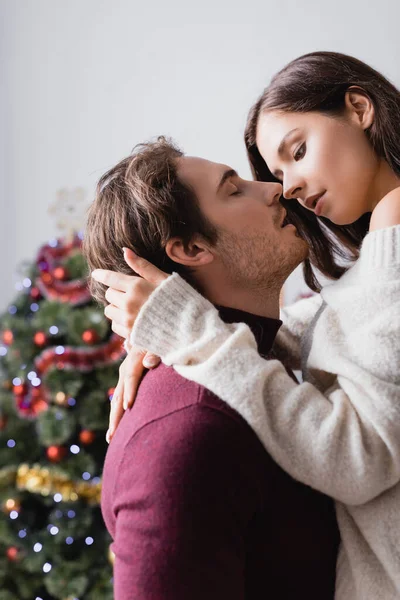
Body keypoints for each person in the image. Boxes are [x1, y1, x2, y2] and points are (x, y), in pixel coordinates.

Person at [92, 52, 400, 599]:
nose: (283, 189)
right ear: (188, 249)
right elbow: (343, 326)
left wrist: (191, 333)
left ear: (359, 108)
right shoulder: (185, 426)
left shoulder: (393, 225)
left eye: (299, 151)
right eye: (247, 184)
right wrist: (172, 336)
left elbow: (361, 451)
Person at [84, 137, 340, 599]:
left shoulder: (260, 365)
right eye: (233, 189)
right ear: (191, 248)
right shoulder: (189, 428)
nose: (272, 189)